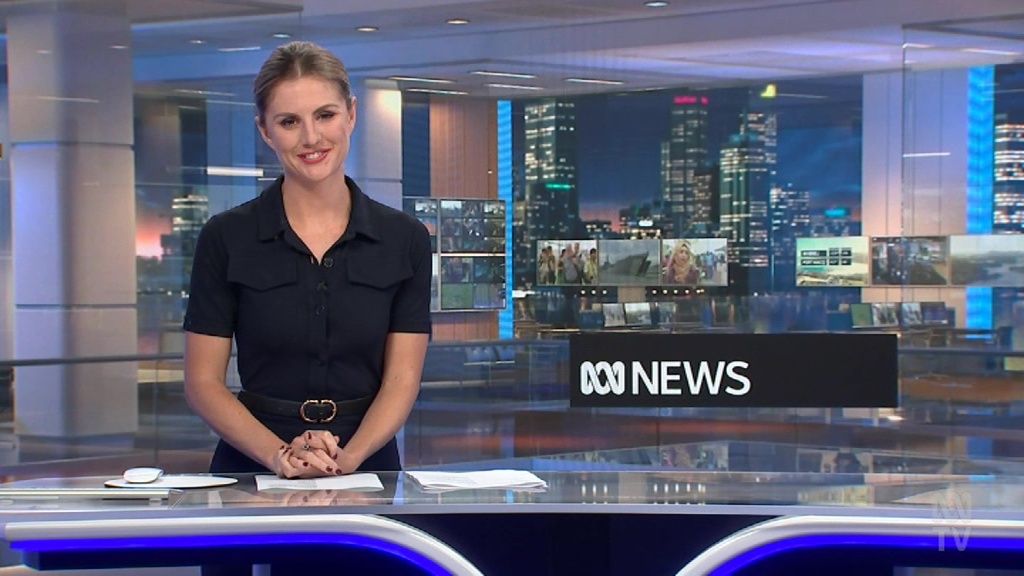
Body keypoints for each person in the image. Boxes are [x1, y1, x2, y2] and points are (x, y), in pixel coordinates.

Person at [183, 41, 432, 483]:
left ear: (351, 114)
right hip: (253, 463)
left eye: (325, 115)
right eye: (289, 122)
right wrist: (280, 456)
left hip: (365, 461)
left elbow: (402, 380)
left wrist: (346, 461)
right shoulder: (226, 237)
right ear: (264, 130)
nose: (312, 138)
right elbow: (203, 383)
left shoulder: (404, 238)